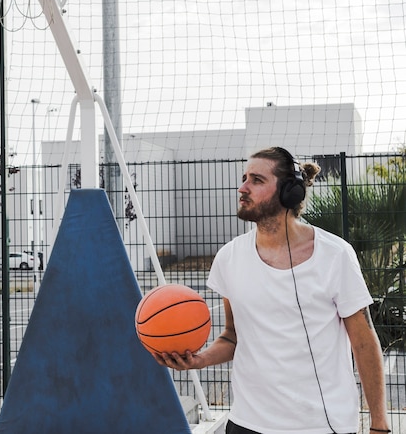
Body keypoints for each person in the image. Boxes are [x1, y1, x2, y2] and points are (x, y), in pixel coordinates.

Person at [154, 146, 390, 434]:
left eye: (256, 180)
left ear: (289, 192)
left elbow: (363, 341)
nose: (242, 188)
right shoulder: (229, 258)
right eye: (244, 178)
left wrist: (379, 424)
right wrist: (199, 359)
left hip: (320, 426)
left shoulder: (335, 255)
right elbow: (233, 335)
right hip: (248, 423)